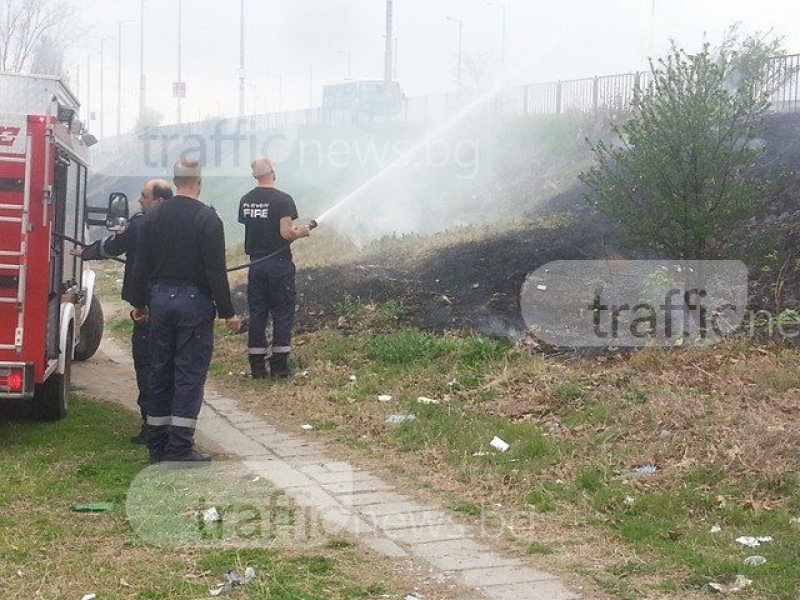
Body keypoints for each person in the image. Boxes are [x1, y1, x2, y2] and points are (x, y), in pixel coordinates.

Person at [131, 160, 241, 463]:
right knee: (188, 375)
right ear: (199, 181)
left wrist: (139, 303)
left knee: (160, 371)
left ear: (176, 180)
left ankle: (157, 446)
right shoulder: (207, 218)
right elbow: (215, 270)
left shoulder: (153, 216)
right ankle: (179, 448)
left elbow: (141, 263)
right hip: (193, 304)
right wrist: (228, 312)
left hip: (160, 301)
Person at [72, 179, 173, 444]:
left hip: (148, 310)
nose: (139, 200)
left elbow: (112, 246)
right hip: (179, 308)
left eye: (144, 196)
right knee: (173, 366)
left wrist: (84, 252)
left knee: (147, 366)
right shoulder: (186, 221)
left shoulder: (140, 225)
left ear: (159, 200)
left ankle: (152, 427)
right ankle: (174, 425)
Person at [238, 157, 310, 380]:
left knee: (258, 312)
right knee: (282, 312)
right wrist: (301, 232)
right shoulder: (283, 200)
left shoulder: (246, 200)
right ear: (273, 171)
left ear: (254, 175)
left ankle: (257, 367)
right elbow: (285, 233)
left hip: (256, 264)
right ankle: (280, 367)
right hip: (278, 264)